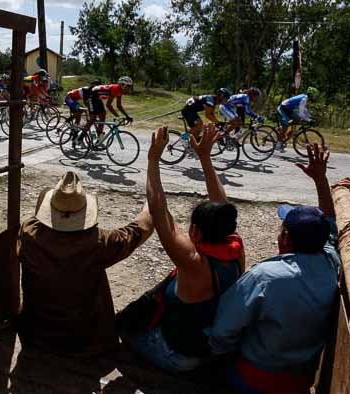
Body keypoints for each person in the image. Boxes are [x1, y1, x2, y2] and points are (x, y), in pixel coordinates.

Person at [209, 143, 341, 394]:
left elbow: (223, 331)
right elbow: (331, 225)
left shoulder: (265, 277)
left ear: (285, 239)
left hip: (254, 380)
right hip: (300, 379)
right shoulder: (331, 260)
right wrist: (320, 180)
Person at [122, 124, 245, 373]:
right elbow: (222, 205)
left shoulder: (192, 262)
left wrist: (153, 159)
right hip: (208, 344)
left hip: (179, 356)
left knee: (124, 328)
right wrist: (204, 158)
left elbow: (159, 212)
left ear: (196, 232)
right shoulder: (235, 246)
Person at [17, 171, 155, 356]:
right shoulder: (98, 242)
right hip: (82, 341)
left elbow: (33, 222)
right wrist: (150, 202)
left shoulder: (28, 233)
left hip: (35, 335)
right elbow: (139, 230)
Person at [84, 76, 134, 143]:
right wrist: (118, 116)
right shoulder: (115, 89)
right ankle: (79, 139)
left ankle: (99, 140)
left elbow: (119, 105)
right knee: (92, 119)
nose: (129, 88)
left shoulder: (120, 91)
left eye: (130, 86)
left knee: (103, 116)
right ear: (123, 85)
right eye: (128, 86)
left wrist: (127, 116)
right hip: (91, 96)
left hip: (98, 99)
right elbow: (108, 105)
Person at [275, 87, 319, 152]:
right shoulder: (304, 99)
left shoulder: (305, 98)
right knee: (286, 126)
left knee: (298, 119)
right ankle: (278, 145)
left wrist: (310, 117)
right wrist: (309, 120)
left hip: (288, 109)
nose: (315, 98)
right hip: (283, 108)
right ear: (311, 94)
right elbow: (301, 114)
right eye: (315, 96)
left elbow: (304, 110)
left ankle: (282, 128)